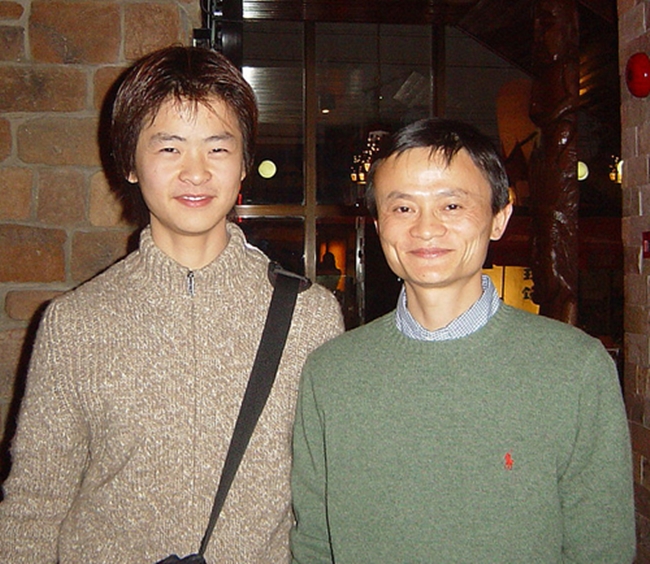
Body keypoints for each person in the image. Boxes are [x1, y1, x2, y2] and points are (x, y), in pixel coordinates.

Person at [0, 45, 344, 563]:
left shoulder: (309, 317)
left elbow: (325, 503)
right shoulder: (74, 324)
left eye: (218, 148)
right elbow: (34, 507)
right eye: (169, 148)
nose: (196, 172)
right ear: (130, 164)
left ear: (244, 163)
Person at [290, 117, 635, 563]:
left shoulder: (574, 368)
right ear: (378, 225)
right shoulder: (331, 373)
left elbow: (601, 549)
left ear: (499, 218)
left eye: (451, 205)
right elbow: (314, 545)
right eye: (402, 208)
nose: (426, 228)